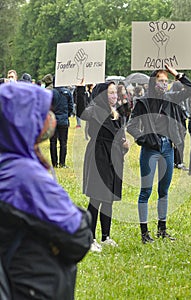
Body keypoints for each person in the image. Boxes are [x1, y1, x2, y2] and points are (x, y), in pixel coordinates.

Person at [0, 82, 92, 299]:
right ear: (20, 120)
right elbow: (78, 238)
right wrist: (80, 214)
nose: (49, 118)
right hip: (33, 287)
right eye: (42, 112)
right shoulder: (23, 176)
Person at [127, 64, 191, 243]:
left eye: (166, 81)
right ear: (153, 82)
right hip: (150, 149)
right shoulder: (143, 102)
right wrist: (146, 139)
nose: (164, 84)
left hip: (168, 148)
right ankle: (144, 232)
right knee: (146, 190)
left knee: (163, 190)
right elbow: (132, 126)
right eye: (161, 80)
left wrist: (176, 74)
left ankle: (162, 229)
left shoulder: (170, 98)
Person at [77, 82, 130, 251]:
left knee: (109, 197)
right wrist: (80, 89)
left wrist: (125, 145)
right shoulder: (94, 109)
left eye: (115, 93)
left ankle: (106, 236)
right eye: (110, 93)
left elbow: (120, 135)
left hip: (113, 156)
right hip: (98, 154)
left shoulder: (118, 113)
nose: (114, 96)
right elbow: (81, 112)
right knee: (96, 197)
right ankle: (90, 238)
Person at [45, 74, 74, 168]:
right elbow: (71, 106)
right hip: (63, 120)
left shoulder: (50, 92)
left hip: (52, 121)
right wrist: (67, 115)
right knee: (63, 143)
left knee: (53, 142)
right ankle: (62, 163)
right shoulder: (67, 92)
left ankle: (54, 163)